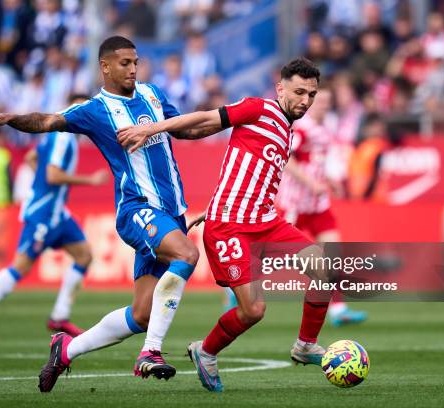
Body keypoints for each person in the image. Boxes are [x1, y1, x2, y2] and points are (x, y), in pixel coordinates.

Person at [0, 36, 217, 392]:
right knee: (187, 253)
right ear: (105, 66)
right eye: (124, 63)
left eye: (135, 62)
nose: (133, 69)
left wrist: (229, 121)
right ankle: (150, 352)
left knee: (141, 314)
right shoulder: (96, 109)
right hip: (137, 209)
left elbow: (188, 129)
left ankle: (66, 350)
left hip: (171, 213)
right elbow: (49, 120)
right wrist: (12, 119)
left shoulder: (152, 95)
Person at [118, 57, 332, 392]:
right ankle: (205, 351)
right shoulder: (256, 108)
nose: (305, 101)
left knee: (321, 267)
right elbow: (207, 119)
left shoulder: (287, 129)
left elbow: (250, 173)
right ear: (280, 88)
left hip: (264, 220)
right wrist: (152, 127)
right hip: (230, 226)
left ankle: (305, 345)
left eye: (311, 95)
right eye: (299, 92)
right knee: (254, 310)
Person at [0, 94, 109, 342]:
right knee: (21, 266)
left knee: (84, 255)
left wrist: (41, 180)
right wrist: (90, 180)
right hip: (43, 213)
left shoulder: (56, 134)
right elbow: (52, 176)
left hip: (57, 213)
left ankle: (59, 317)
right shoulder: (64, 140)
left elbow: (32, 159)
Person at [275, 87, 367, 327]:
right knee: (271, 256)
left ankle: (339, 310)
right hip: (295, 205)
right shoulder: (303, 129)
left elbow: (316, 163)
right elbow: (287, 158)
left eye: (328, 101)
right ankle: (234, 291)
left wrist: (330, 182)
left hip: (318, 206)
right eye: (320, 101)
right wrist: (310, 183)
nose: (324, 105)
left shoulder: (325, 130)